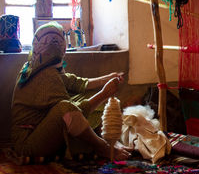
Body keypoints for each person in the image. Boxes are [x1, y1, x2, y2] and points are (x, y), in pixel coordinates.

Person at [11, 22, 131, 161]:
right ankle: (102, 147)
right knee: (66, 108)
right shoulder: (45, 75)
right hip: (29, 144)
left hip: (43, 129)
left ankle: (108, 141)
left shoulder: (35, 66)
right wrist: (104, 94)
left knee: (88, 97)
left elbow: (74, 83)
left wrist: (108, 78)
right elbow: (72, 111)